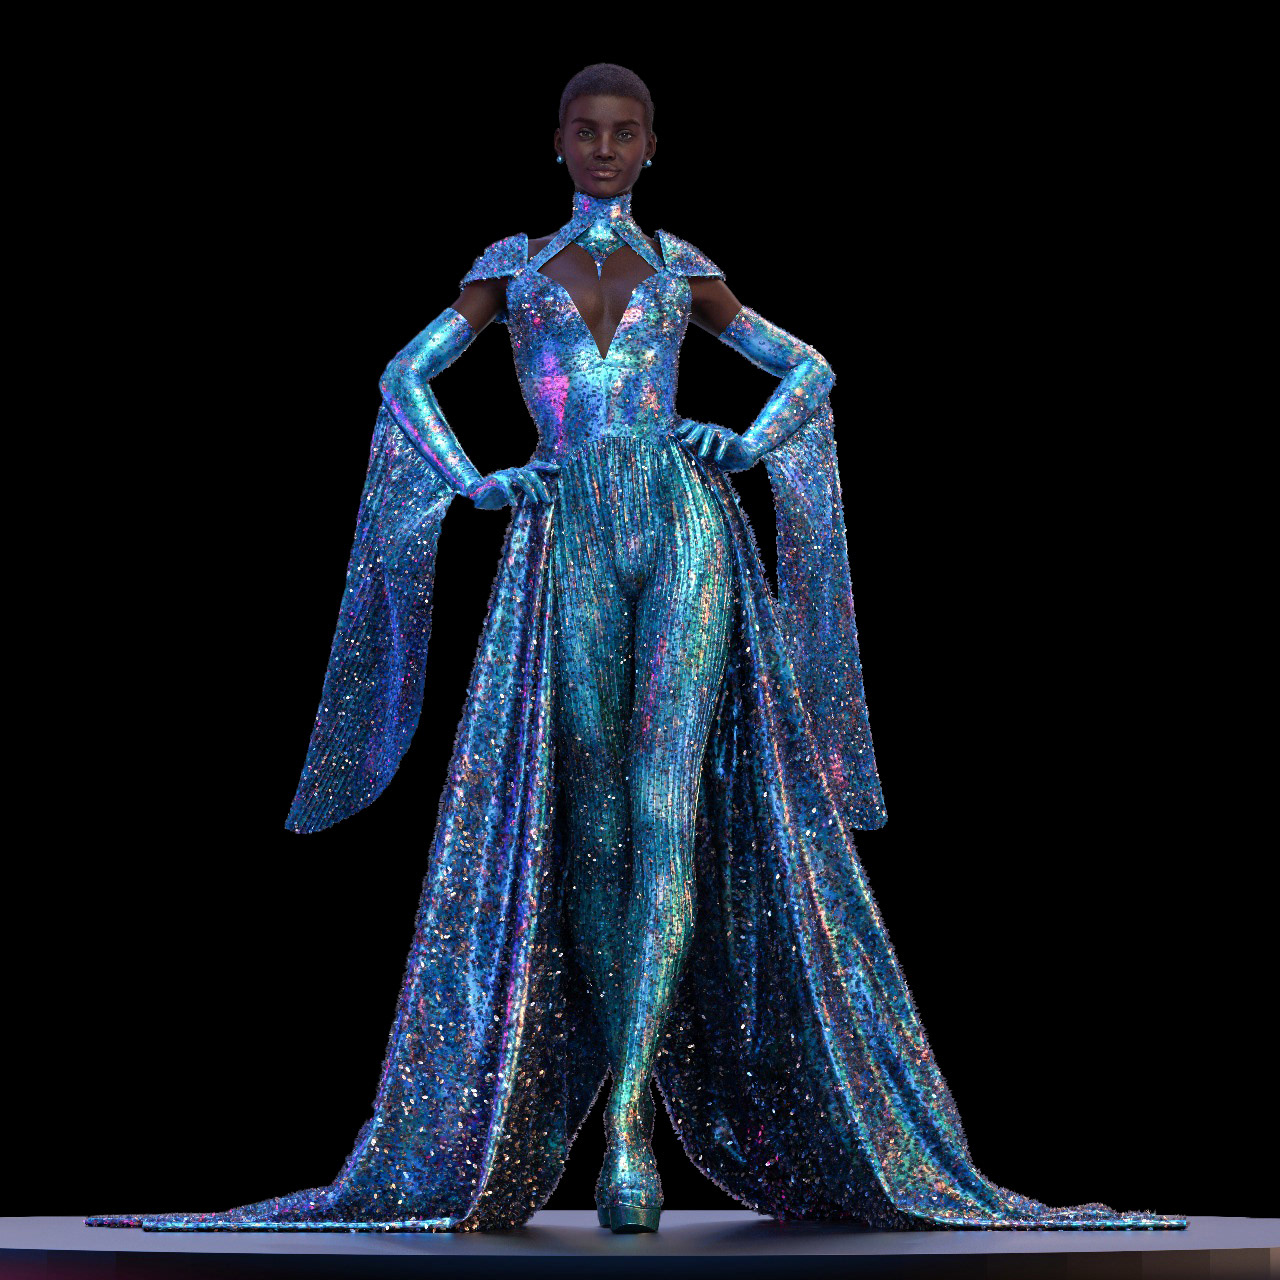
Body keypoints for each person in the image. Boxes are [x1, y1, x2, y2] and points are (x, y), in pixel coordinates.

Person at [87, 63, 1185, 1236]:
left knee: (664, 805)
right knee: (596, 817)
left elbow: (807, 365)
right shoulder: (511, 270)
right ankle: (619, 1097)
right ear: (557, 141)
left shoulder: (682, 269)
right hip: (562, 526)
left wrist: (751, 441)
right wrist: (473, 480)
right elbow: (403, 372)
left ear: (651, 144)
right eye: (586, 130)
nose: (604, 149)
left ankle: (624, 1128)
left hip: (682, 523)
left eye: (624, 132)